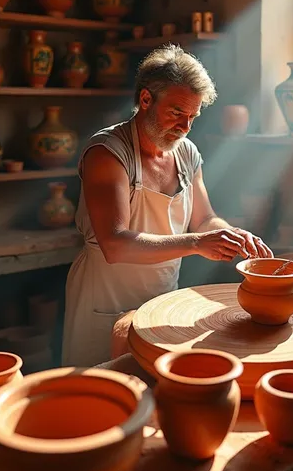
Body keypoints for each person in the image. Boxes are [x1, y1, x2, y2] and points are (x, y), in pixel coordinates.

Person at [62, 44, 273, 366]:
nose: (185, 127)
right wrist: (197, 243)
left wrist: (230, 233)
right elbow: (115, 244)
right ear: (146, 99)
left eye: (192, 116)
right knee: (101, 395)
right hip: (105, 298)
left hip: (162, 296)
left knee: (152, 390)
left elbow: (204, 219)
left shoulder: (186, 152)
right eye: (176, 113)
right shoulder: (108, 153)